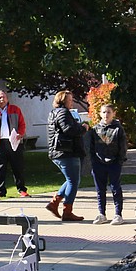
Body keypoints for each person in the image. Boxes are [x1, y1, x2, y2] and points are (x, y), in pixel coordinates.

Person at [46, 90, 88, 221]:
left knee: (72, 180)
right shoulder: (63, 112)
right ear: (63, 100)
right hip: (66, 151)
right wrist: (83, 128)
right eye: (70, 99)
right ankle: (67, 211)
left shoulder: (55, 113)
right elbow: (68, 129)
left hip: (61, 152)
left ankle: (55, 203)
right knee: (73, 181)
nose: (72, 102)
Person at [87, 104, 127, 225]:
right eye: (104, 112)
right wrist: (93, 161)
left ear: (113, 113)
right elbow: (91, 148)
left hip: (114, 163)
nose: (106, 115)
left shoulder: (118, 129)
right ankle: (102, 213)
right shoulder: (95, 129)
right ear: (100, 114)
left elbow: (123, 146)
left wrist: (119, 160)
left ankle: (118, 214)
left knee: (115, 188)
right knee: (100, 190)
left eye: (108, 112)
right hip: (99, 163)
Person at [0, 90, 29, 198]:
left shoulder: (15, 109)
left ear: (7, 99)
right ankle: (1, 191)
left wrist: (20, 134)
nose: (2, 99)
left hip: (14, 141)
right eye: (0, 98)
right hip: (0, 143)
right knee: (0, 168)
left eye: (4, 97)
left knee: (17, 166)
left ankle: (21, 189)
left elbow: (22, 124)